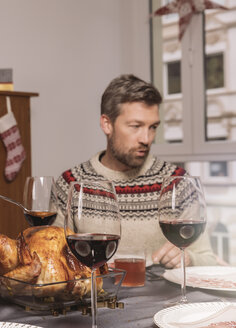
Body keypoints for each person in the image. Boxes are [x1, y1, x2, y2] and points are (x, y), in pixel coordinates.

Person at [52, 74, 217, 269]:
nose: (146, 139)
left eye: (153, 127)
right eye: (136, 126)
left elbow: (207, 259)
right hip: (94, 297)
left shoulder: (178, 183)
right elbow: (54, 258)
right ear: (107, 124)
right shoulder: (71, 183)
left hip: (161, 298)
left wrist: (188, 259)